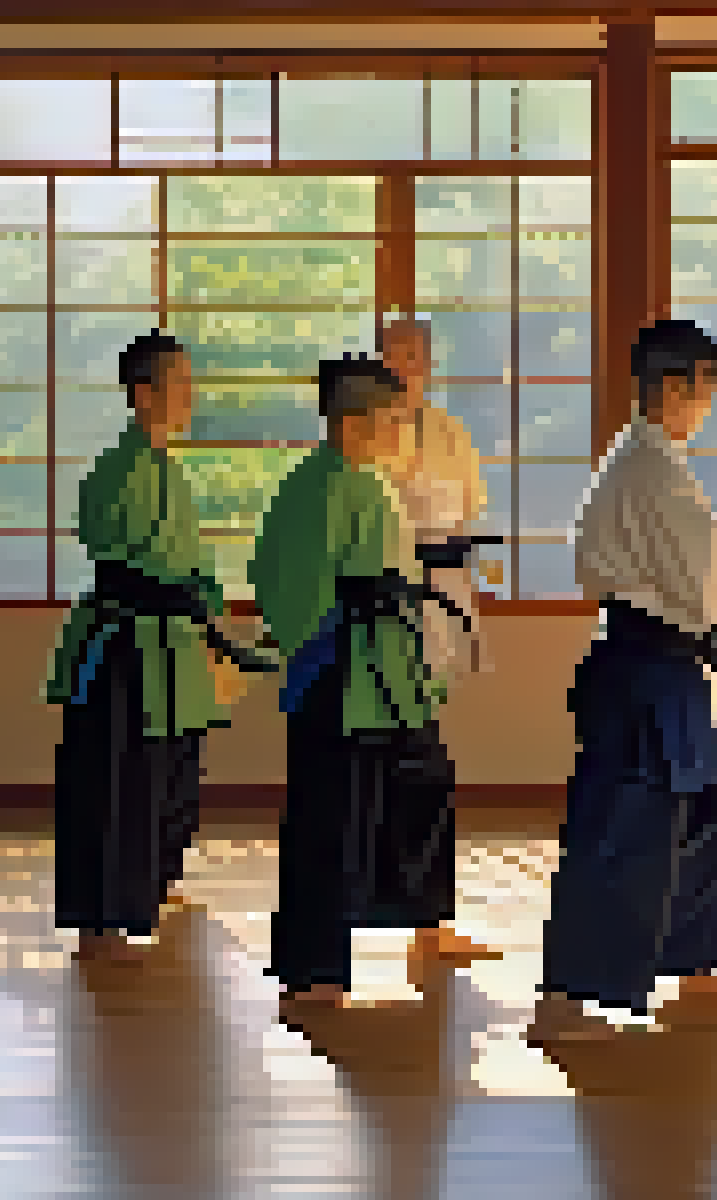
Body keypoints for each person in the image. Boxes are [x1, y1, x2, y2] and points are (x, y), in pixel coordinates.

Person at [527, 318, 717, 1048]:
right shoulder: (646, 470)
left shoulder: (653, 462)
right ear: (675, 387)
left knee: (702, 815)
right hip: (642, 667)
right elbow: (698, 576)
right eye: (705, 386)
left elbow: (692, 564)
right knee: (619, 829)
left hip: (665, 664)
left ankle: (697, 962)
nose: (709, 402)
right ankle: (565, 998)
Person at [253, 354, 497, 1011]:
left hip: (385, 667)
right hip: (339, 672)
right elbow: (291, 589)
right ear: (354, 422)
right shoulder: (318, 488)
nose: (402, 431)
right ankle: (313, 969)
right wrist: (328, 650)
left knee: (417, 792)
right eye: (393, 419)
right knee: (327, 819)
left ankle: (419, 923)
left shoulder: (370, 484)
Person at [44, 332, 249, 963]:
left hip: (175, 643)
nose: (191, 395)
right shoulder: (118, 467)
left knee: (173, 776)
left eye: (191, 382)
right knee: (117, 780)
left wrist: (213, 618)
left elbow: (190, 563)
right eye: (179, 383)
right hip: (129, 640)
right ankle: (101, 924)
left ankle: (147, 890)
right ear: (143, 393)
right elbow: (121, 559)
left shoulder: (168, 466)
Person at [376, 315, 495, 679]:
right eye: (392, 355)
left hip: (443, 577)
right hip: (382, 577)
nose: (402, 366)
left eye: (412, 355)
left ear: (428, 364)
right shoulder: (364, 431)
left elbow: (467, 517)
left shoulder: (452, 432)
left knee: (434, 687)